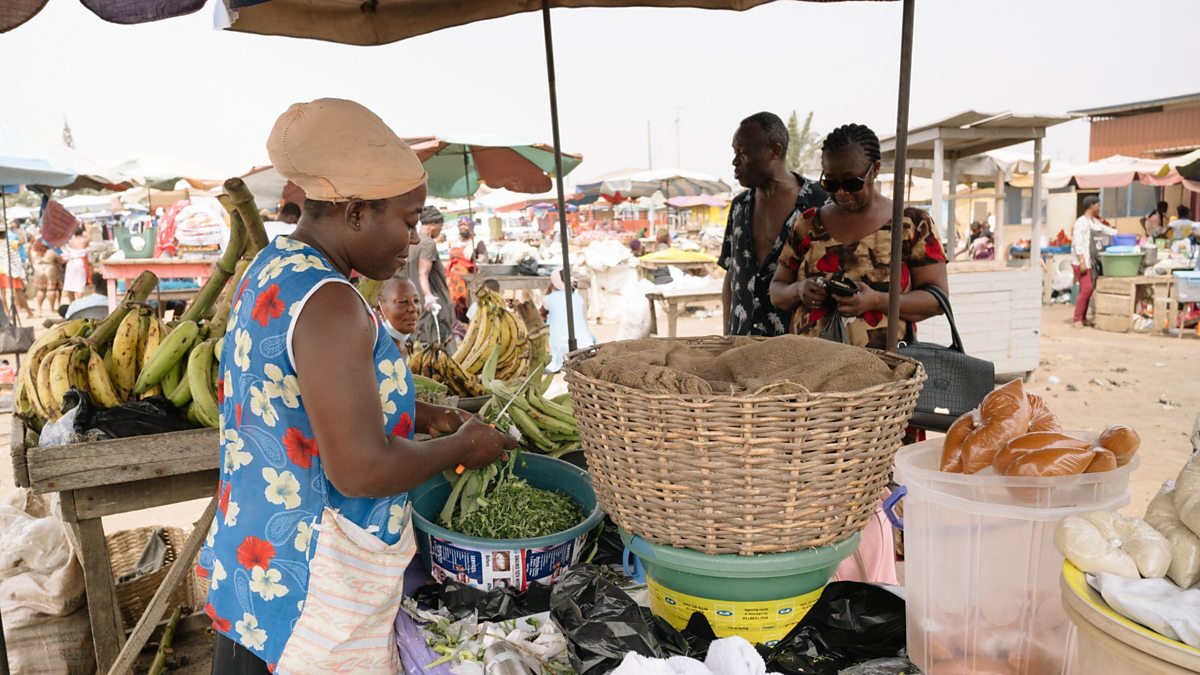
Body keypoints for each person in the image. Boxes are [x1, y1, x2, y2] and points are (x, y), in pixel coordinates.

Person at [199, 98, 515, 675]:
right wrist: (464, 447)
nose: (412, 240)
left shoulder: (274, 267)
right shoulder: (331, 302)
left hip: (260, 570)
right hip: (312, 591)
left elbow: (298, 399)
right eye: (408, 221)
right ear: (355, 213)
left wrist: (427, 415)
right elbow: (361, 469)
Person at [769, 123, 948, 350]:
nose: (841, 192)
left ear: (875, 169)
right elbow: (777, 290)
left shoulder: (912, 224)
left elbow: (937, 301)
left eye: (852, 183)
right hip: (810, 365)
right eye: (830, 183)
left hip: (884, 368)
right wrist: (799, 290)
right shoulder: (808, 223)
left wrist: (876, 300)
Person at [721, 111, 828, 336]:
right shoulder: (740, 206)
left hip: (796, 345)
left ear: (775, 151)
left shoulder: (819, 203)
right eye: (734, 152)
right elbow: (731, 275)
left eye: (743, 152)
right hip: (742, 342)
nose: (735, 161)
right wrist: (727, 338)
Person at [407, 206, 454, 346]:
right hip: (429, 304)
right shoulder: (428, 243)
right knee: (435, 343)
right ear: (433, 224)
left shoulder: (410, 240)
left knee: (417, 343)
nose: (441, 230)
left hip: (412, 299)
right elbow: (423, 273)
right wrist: (428, 296)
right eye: (440, 226)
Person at [1071, 196, 1117, 329]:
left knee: (1087, 290)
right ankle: (1077, 319)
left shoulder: (1095, 222)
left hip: (1091, 261)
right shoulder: (1080, 222)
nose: (1099, 207)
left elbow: (1107, 231)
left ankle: (1083, 318)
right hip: (1081, 261)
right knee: (1087, 289)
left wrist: (1124, 234)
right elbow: (1077, 243)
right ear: (1091, 205)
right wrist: (1082, 261)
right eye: (1098, 205)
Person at [544, 269, 596, 372]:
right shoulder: (578, 298)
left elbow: (541, 314)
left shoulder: (548, 299)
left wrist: (549, 289)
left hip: (558, 347)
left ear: (554, 283)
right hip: (584, 344)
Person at [378, 275, 421, 357]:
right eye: (403, 302)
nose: (413, 308)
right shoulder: (373, 352)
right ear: (379, 308)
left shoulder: (412, 349)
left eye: (416, 300)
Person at [1, 226, 32, 319]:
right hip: (11, 270)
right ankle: (29, 312)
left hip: (2, 270)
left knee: (2, 293)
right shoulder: (11, 243)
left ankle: (7, 313)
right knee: (18, 291)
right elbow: (23, 240)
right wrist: (19, 232)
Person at [30, 240, 63, 317]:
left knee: (40, 290)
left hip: (38, 271)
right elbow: (60, 261)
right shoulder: (52, 252)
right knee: (51, 290)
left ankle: (39, 309)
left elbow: (31, 260)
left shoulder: (33, 252)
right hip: (50, 270)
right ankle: (51, 309)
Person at [62, 227, 90, 303]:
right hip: (80, 261)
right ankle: (79, 303)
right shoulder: (84, 240)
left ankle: (71, 302)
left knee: (69, 284)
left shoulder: (71, 241)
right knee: (80, 284)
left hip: (71, 262)